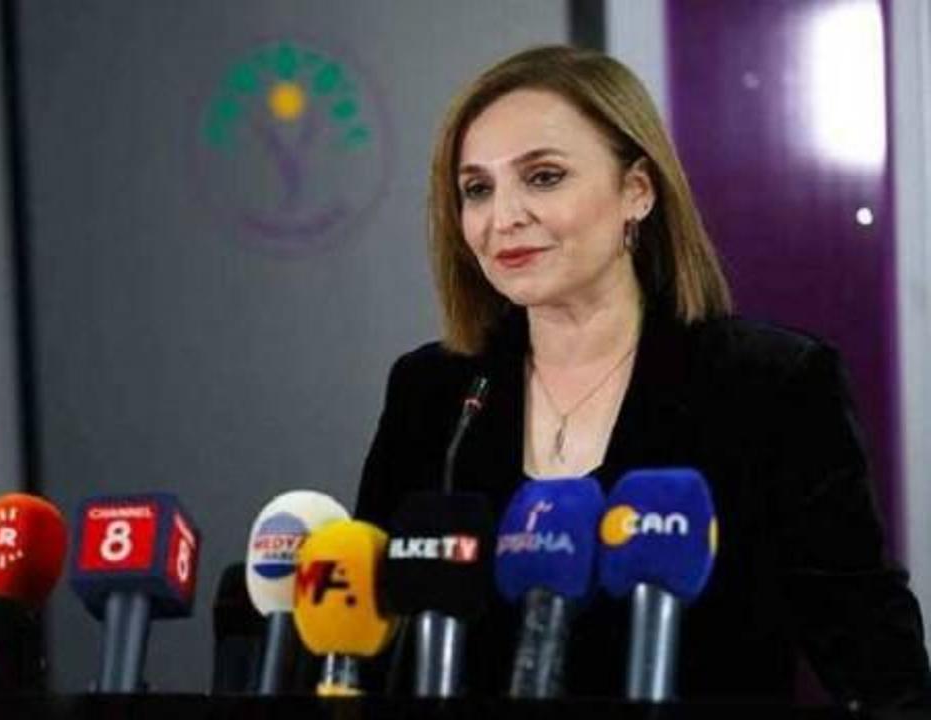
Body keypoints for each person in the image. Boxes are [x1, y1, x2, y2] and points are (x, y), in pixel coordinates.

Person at [354, 45, 931, 708]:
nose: (503, 217)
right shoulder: (432, 392)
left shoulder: (769, 386)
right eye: (477, 189)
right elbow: (370, 642)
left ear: (637, 191)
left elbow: (875, 663)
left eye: (543, 177)